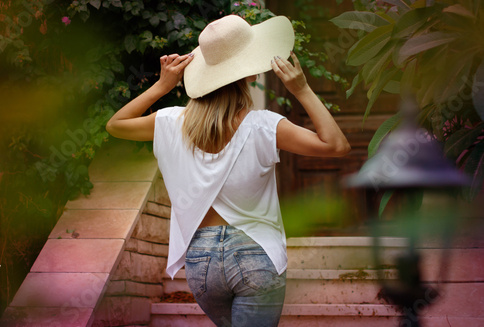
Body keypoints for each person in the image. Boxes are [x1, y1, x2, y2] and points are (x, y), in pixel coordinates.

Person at [106, 14, 350, 327]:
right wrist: (301, 89)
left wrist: (162, 85)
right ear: (248, 74)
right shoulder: (264, 126)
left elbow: (115, 126)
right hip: (255, 253)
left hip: (200, 260)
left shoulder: (169, 122)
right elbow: (337, 145)